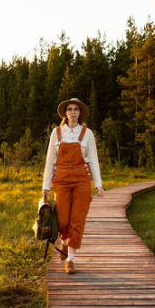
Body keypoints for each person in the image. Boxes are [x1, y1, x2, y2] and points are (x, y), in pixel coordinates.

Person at [42, 98, 104, 274]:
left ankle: (70, 259)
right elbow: (50, 161)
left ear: (80, 113)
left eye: (76, 109)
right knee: (62, 220)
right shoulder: (57, 132)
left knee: (77, 220)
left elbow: (93, 159)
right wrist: (46, 185)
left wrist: (98, 184)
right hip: (61, 179)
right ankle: (64, 239)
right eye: (69, 109)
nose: (73, 111)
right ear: (65, 113)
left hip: (81, 179)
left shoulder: (87, 133)